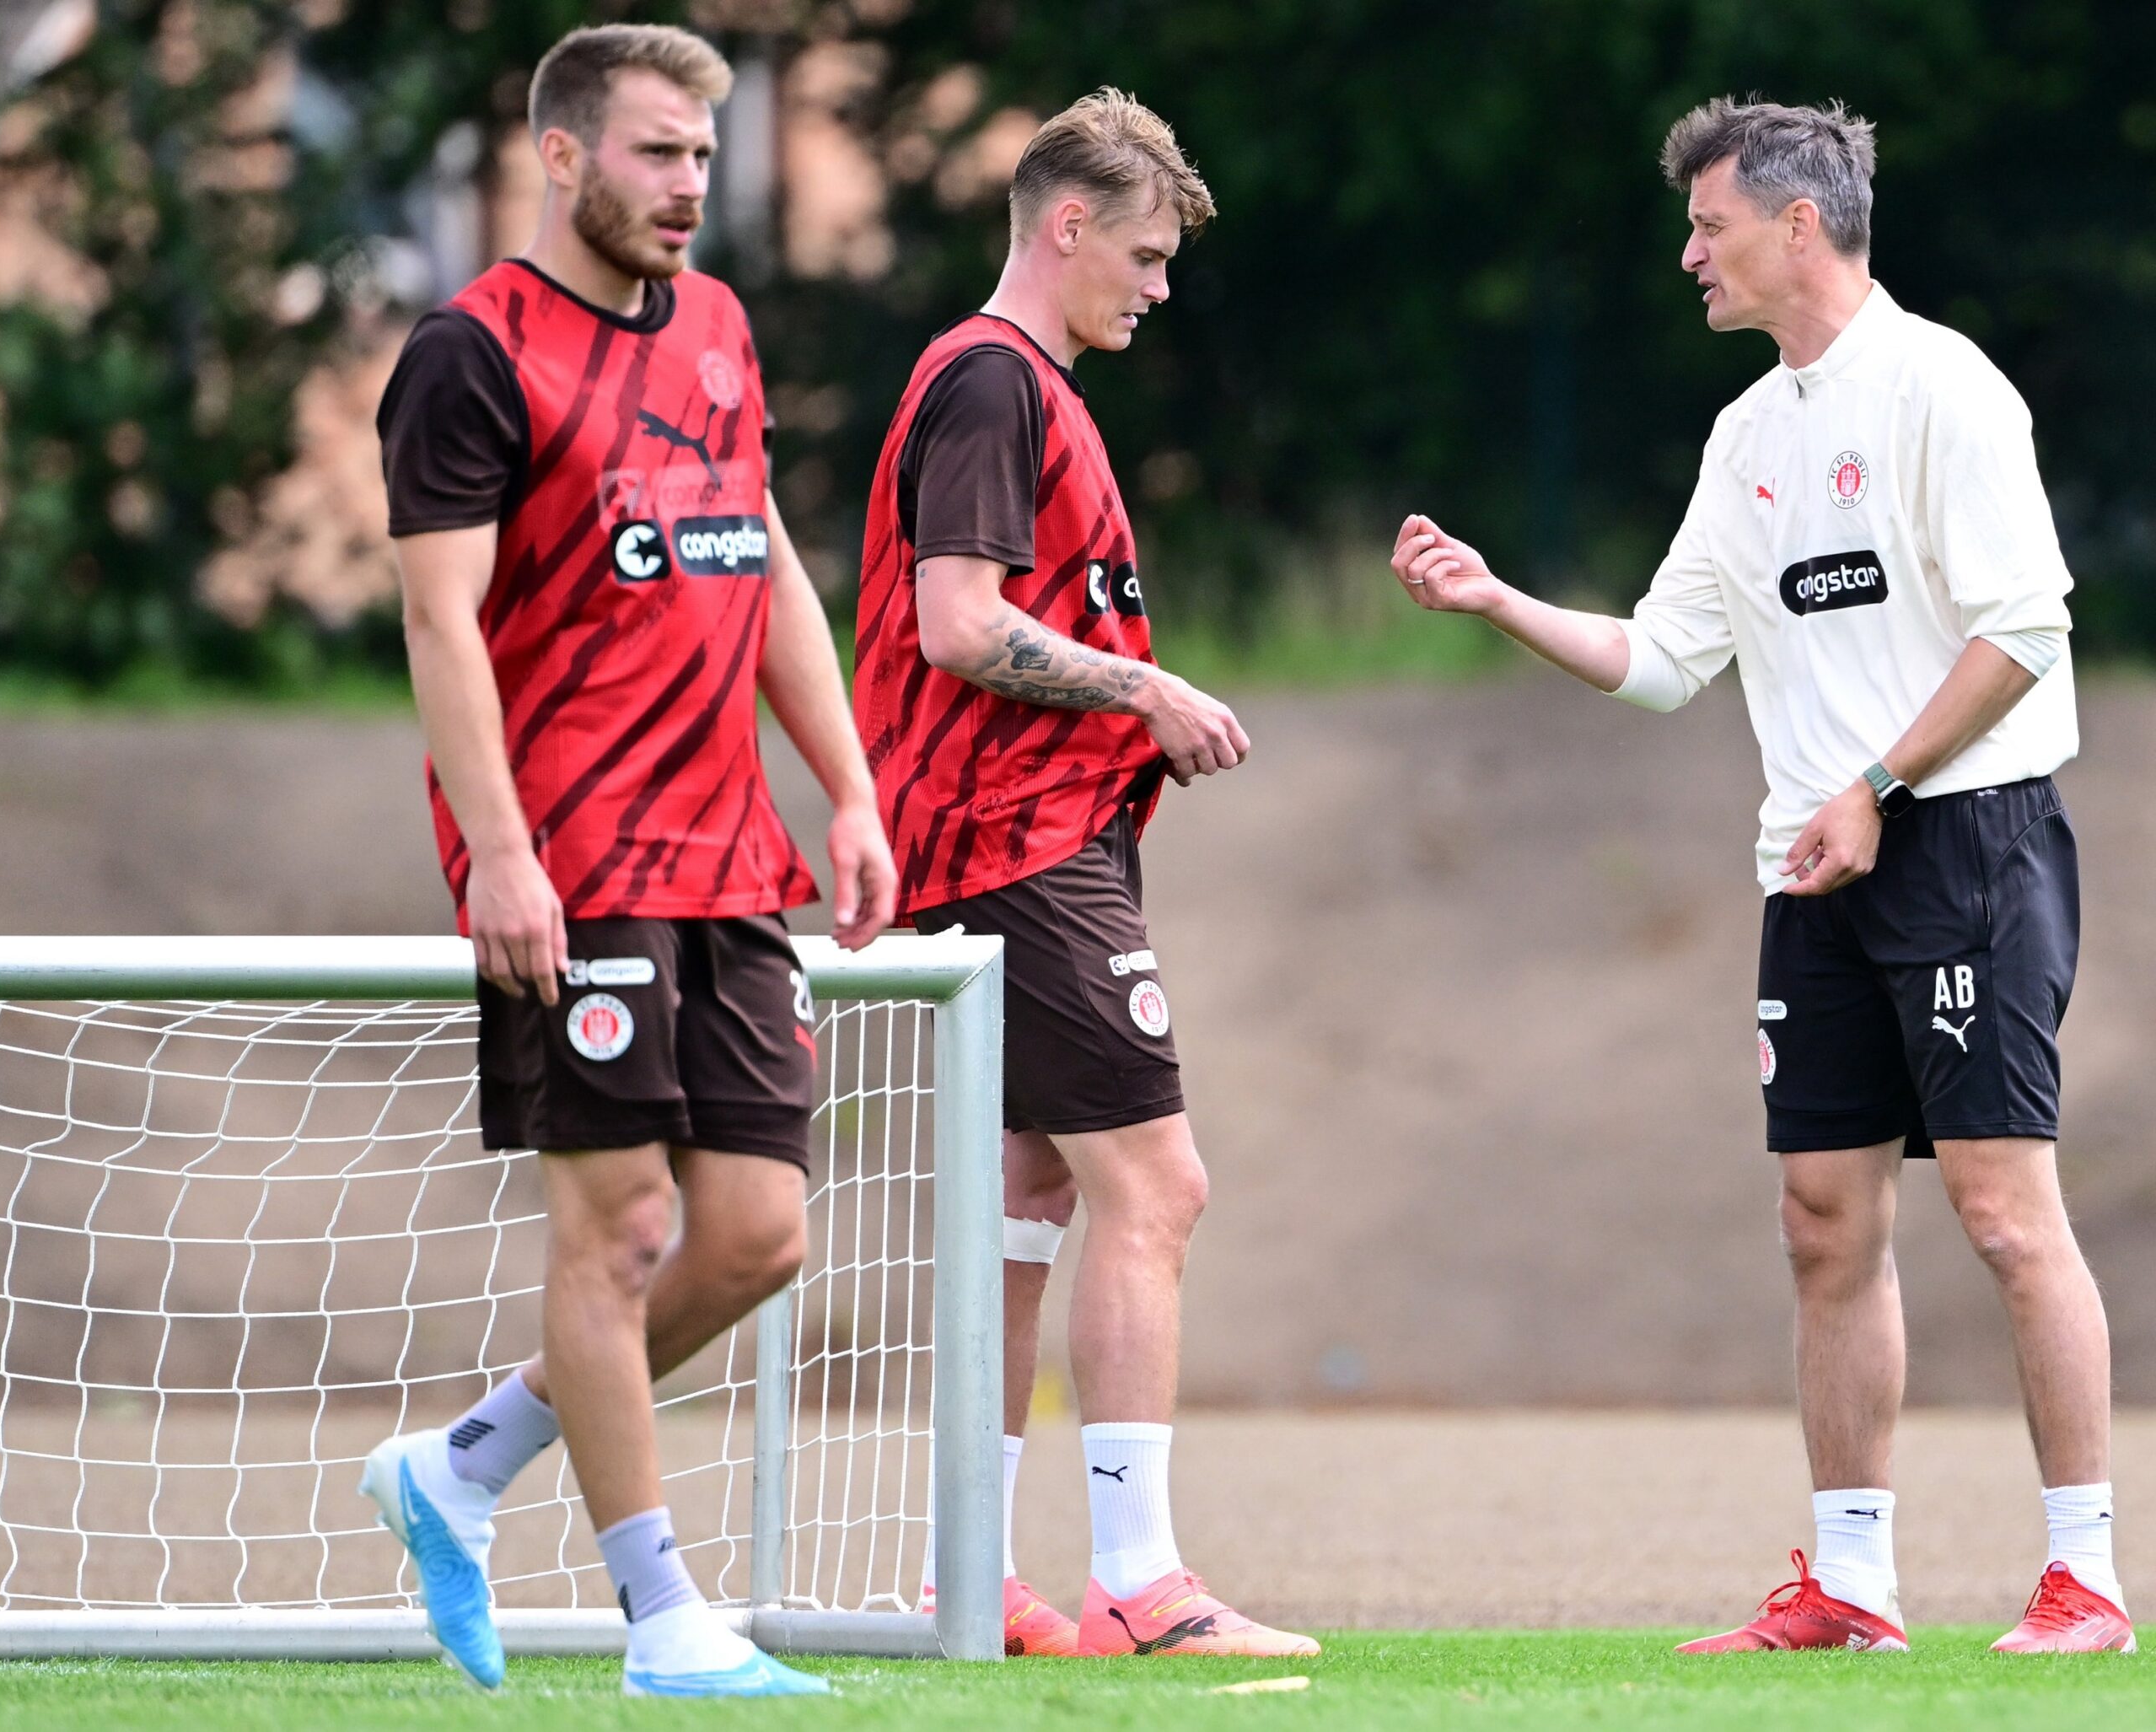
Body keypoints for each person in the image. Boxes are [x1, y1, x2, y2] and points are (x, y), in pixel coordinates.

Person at [1391, 96, 2128, 1656]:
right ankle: (1854, 1590)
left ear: (1800, 224)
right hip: (1818, 860)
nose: (1688, 254)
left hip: (1966, 840)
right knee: (1819, 1219)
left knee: (2005, 1212)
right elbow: (1664, 660)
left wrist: (1877, 785)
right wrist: (1496, 599)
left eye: (1708, 223)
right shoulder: (1748, 435)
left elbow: (2025, 629)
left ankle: (2087, 1581)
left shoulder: (1946, 387)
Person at [362, 23, 895, 1697]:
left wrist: (852, 789)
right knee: (619, 1233)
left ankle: (456, 1465)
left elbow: (769, 570)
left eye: (702, 155)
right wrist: (501, 855)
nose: (690, 187)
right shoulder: (471, 354)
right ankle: (662, 1616)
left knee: (756, 1236)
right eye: (659, 153)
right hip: (575, 857)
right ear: (566, 156)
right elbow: (439, 622)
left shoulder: (720, 331)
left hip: (730, 858)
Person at [853, 89, 1315, 1660]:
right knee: (1158, 1185)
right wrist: (1145, 688)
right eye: (1143, 252)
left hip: (1020, 840)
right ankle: (1139, 1576)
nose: (1159, 286)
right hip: (1013, 845)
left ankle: (964, 1572)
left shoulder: (1018, 385)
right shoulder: (992, 381)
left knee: (1033, 1189)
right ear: (1064, 228)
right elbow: (960, 621)